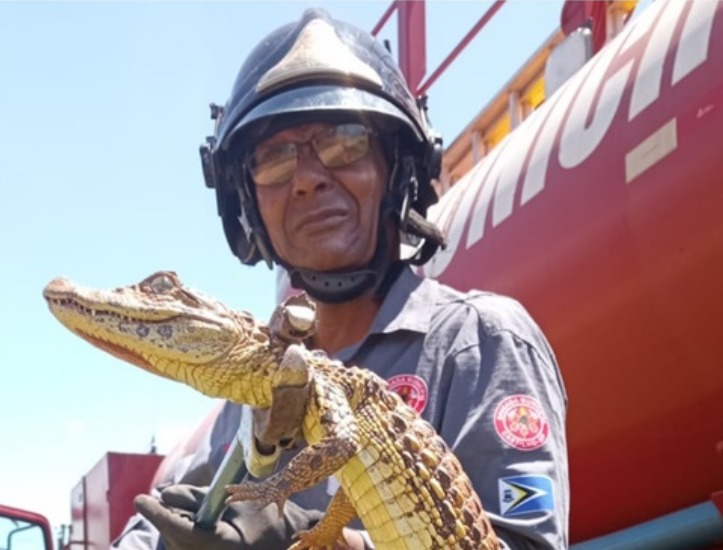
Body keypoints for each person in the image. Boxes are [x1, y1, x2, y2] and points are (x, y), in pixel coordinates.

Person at [115, 7, 568, 550]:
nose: (308, 178)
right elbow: (162, 518)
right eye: (274, 158)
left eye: (345, 142)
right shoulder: (251, 392)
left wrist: (326, 544)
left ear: (397, 168)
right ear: (245, 203)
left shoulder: (479, 343)